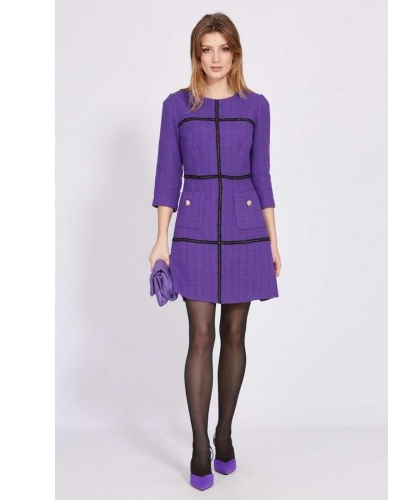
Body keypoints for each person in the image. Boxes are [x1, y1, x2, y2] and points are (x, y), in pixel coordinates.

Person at [148, 12, 282, 491]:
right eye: (206, 49)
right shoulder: (177, 106)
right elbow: (168, 174)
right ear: (196, 55)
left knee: (235, 333)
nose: (215, 58)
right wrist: (161, 239)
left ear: (235, 52)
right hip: (196, 228)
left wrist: (273, 239)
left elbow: (262, 174)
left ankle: (224, 434)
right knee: (201, 335)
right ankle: (199, 446)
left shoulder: (257, 106)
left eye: (223, 48)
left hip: (246, 230)